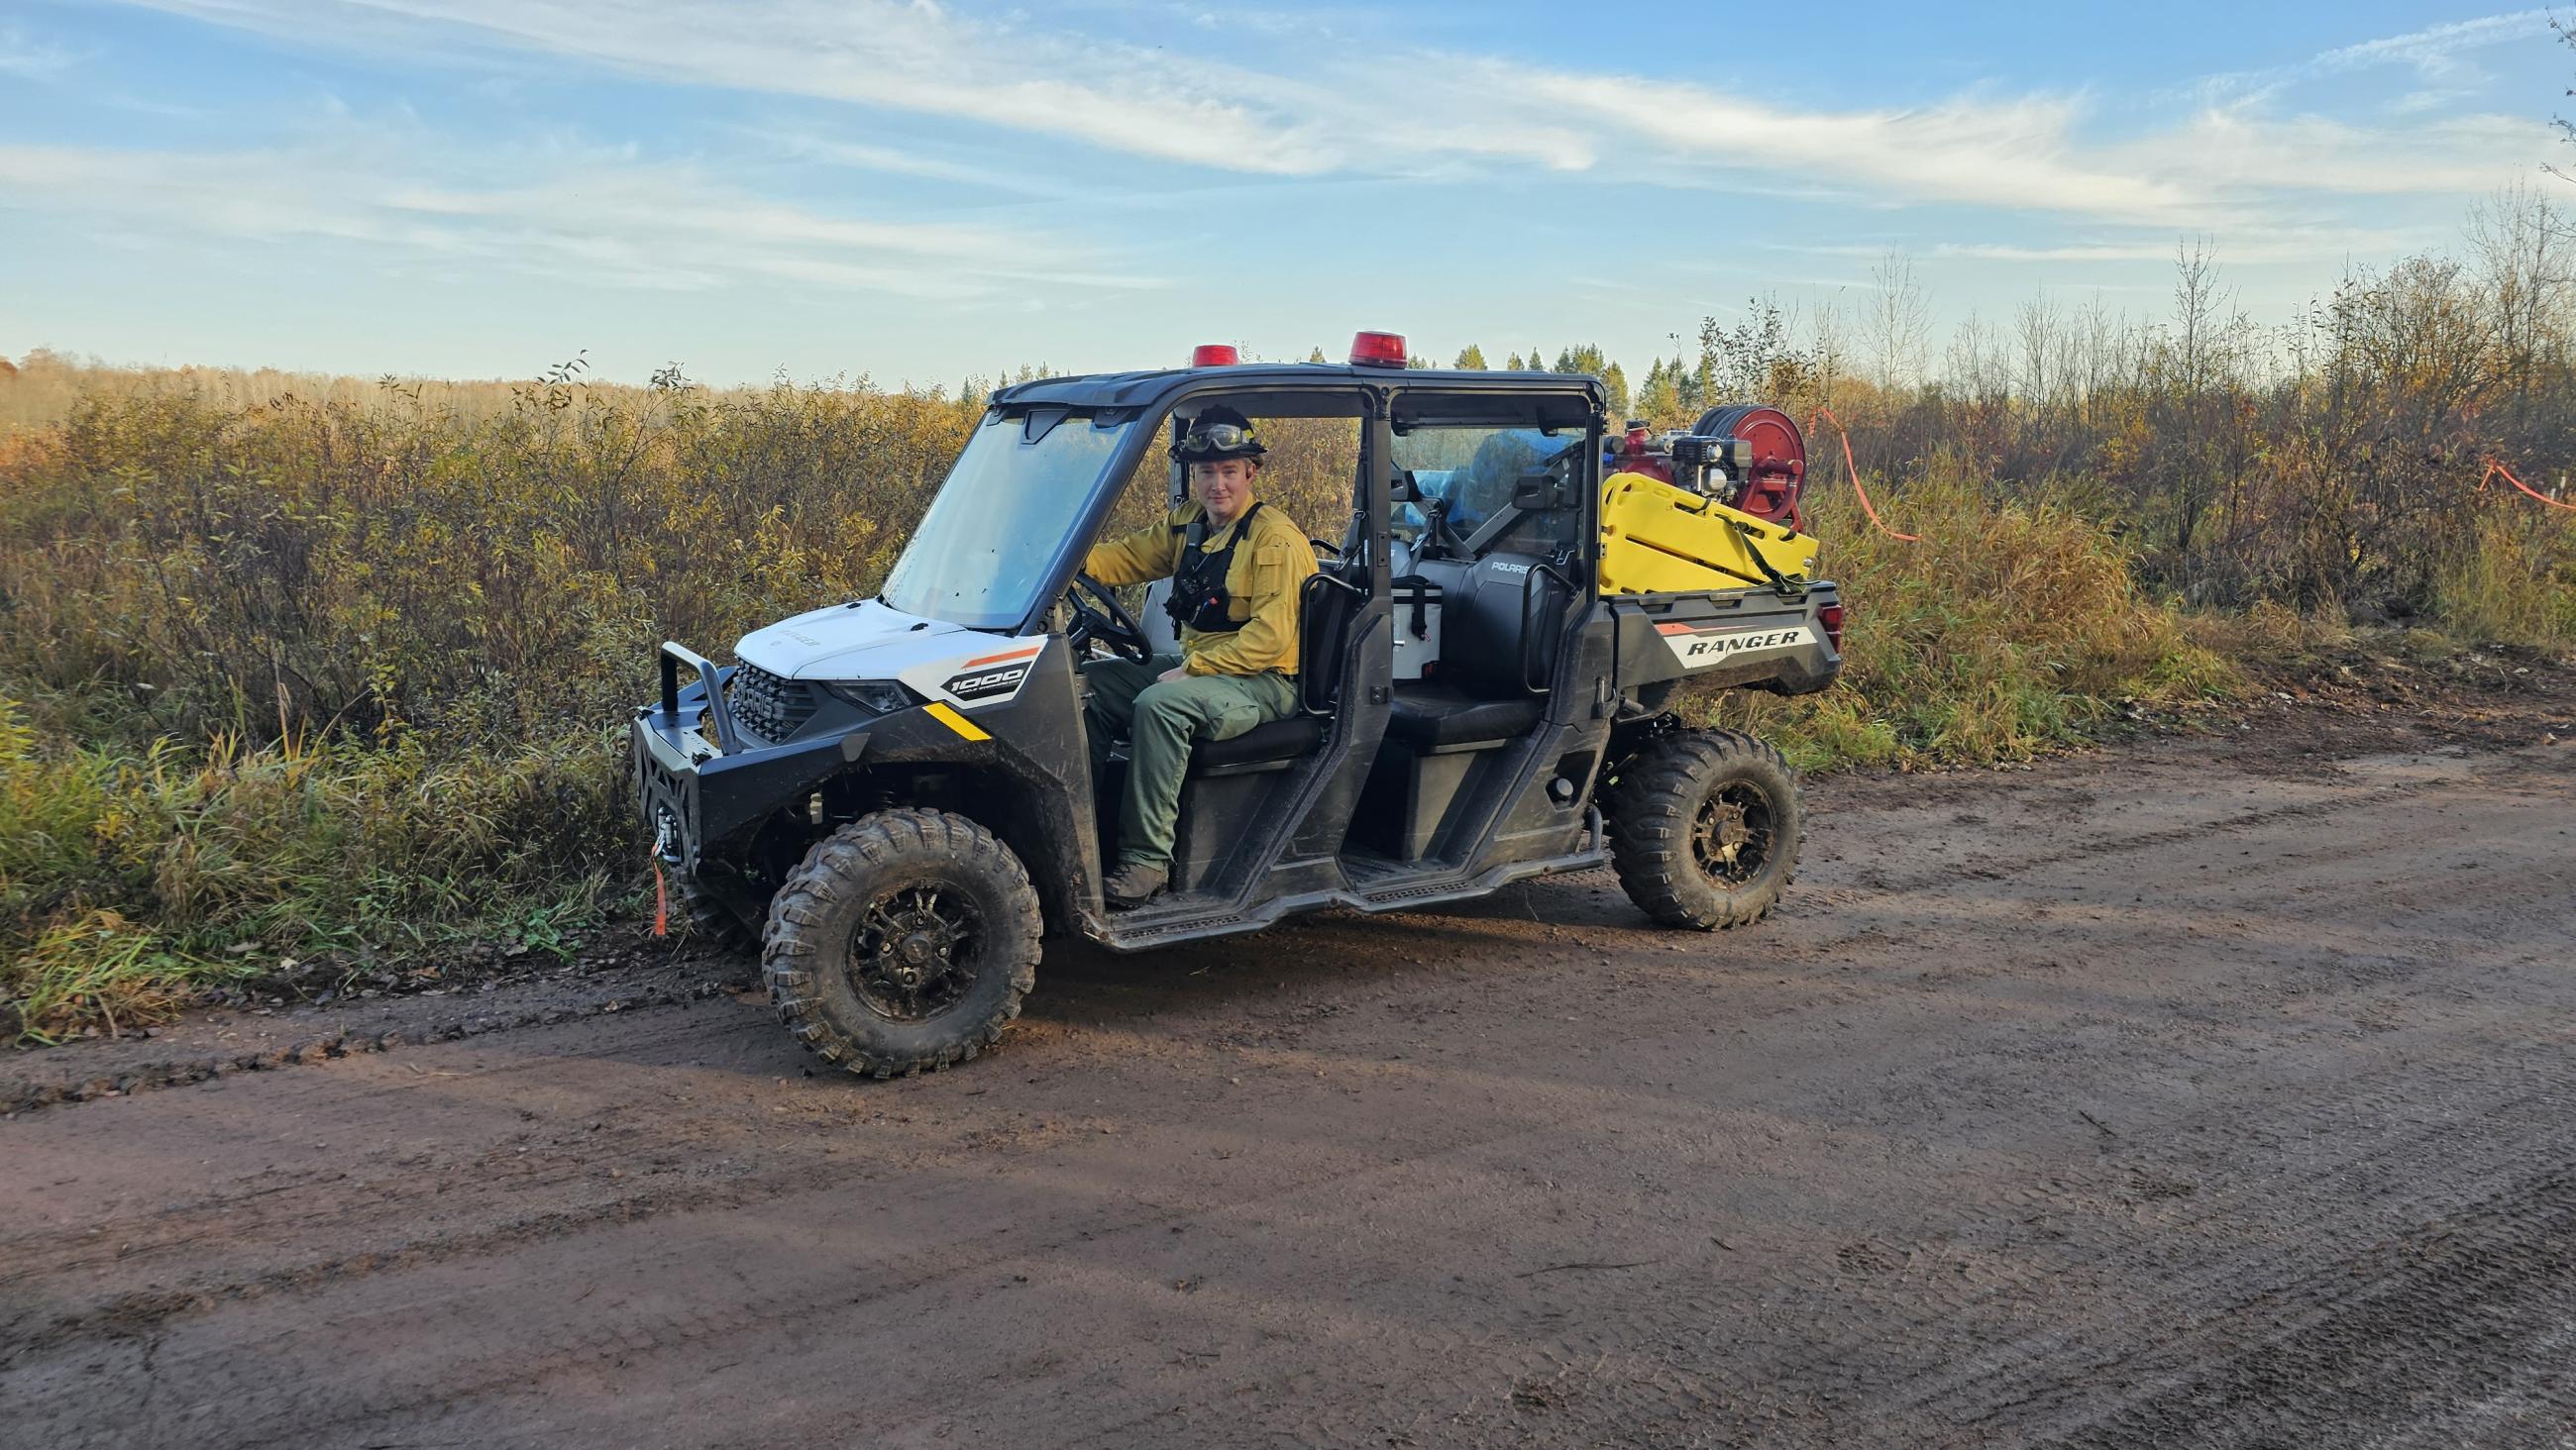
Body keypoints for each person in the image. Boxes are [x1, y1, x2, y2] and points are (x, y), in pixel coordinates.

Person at [1081, 405, 1317, 906]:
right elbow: (1125, 557)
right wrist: (1060, 562)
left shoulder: (1275, 539)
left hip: (1265, 681)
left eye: (1229, 471)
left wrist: (1193, 669)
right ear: (1194, 475)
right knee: (1084, 685)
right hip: (1200, 664)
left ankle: (1145, 864)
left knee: (1160, 705)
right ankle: (1081, 833)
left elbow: (1271, 638)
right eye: (1206, 472)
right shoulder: (1190, 524)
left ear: (1251, 472)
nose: (1218, 484)